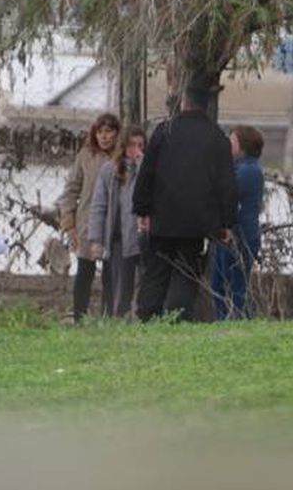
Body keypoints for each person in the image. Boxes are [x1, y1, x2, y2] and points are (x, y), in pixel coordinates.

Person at [132, 82, 237, 322]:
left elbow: (146, 173)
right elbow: (227, 185)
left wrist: (142, 210)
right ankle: (177, 319)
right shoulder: (217, 138)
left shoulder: (164, 130)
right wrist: (226, 222)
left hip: (163, 216)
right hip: (197, 222)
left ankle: (147, 317)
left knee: (156, 271)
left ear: (183, 103)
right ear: (206, 105)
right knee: (186, 271)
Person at [58, 113, 120, 321]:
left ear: (117, 134)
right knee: (85, 272)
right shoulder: (86, 155)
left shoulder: (122, 157)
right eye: (100, 132)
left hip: (114, 224)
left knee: (112, 273)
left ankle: (110, 317)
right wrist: (69, 224)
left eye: (109, 132)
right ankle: (79, 317)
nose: (104, 137)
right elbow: (71, 191)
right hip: (86, 223)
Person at [86, 126, 147, 318]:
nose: (136, 150)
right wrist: (96, 239)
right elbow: (98, 206)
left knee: (144, 285)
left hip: (143, 239)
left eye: (141, 145)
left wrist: (142, 163)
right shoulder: (110, 170)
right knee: (119, 289)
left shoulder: (147, 169)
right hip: (118, 240)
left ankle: (143, 319)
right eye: (132, 145)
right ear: (123, 146)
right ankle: (117, 319)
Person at [211, 125, 266, 319]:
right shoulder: (240, 168)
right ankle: (227, 320)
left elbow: (225, 194)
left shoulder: (248, 171)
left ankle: (238, 321)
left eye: (232, 141)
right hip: (229, 235)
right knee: (219, 284)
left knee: (234, 286)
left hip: (240, 236)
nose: (228, 145)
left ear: (242, 146)